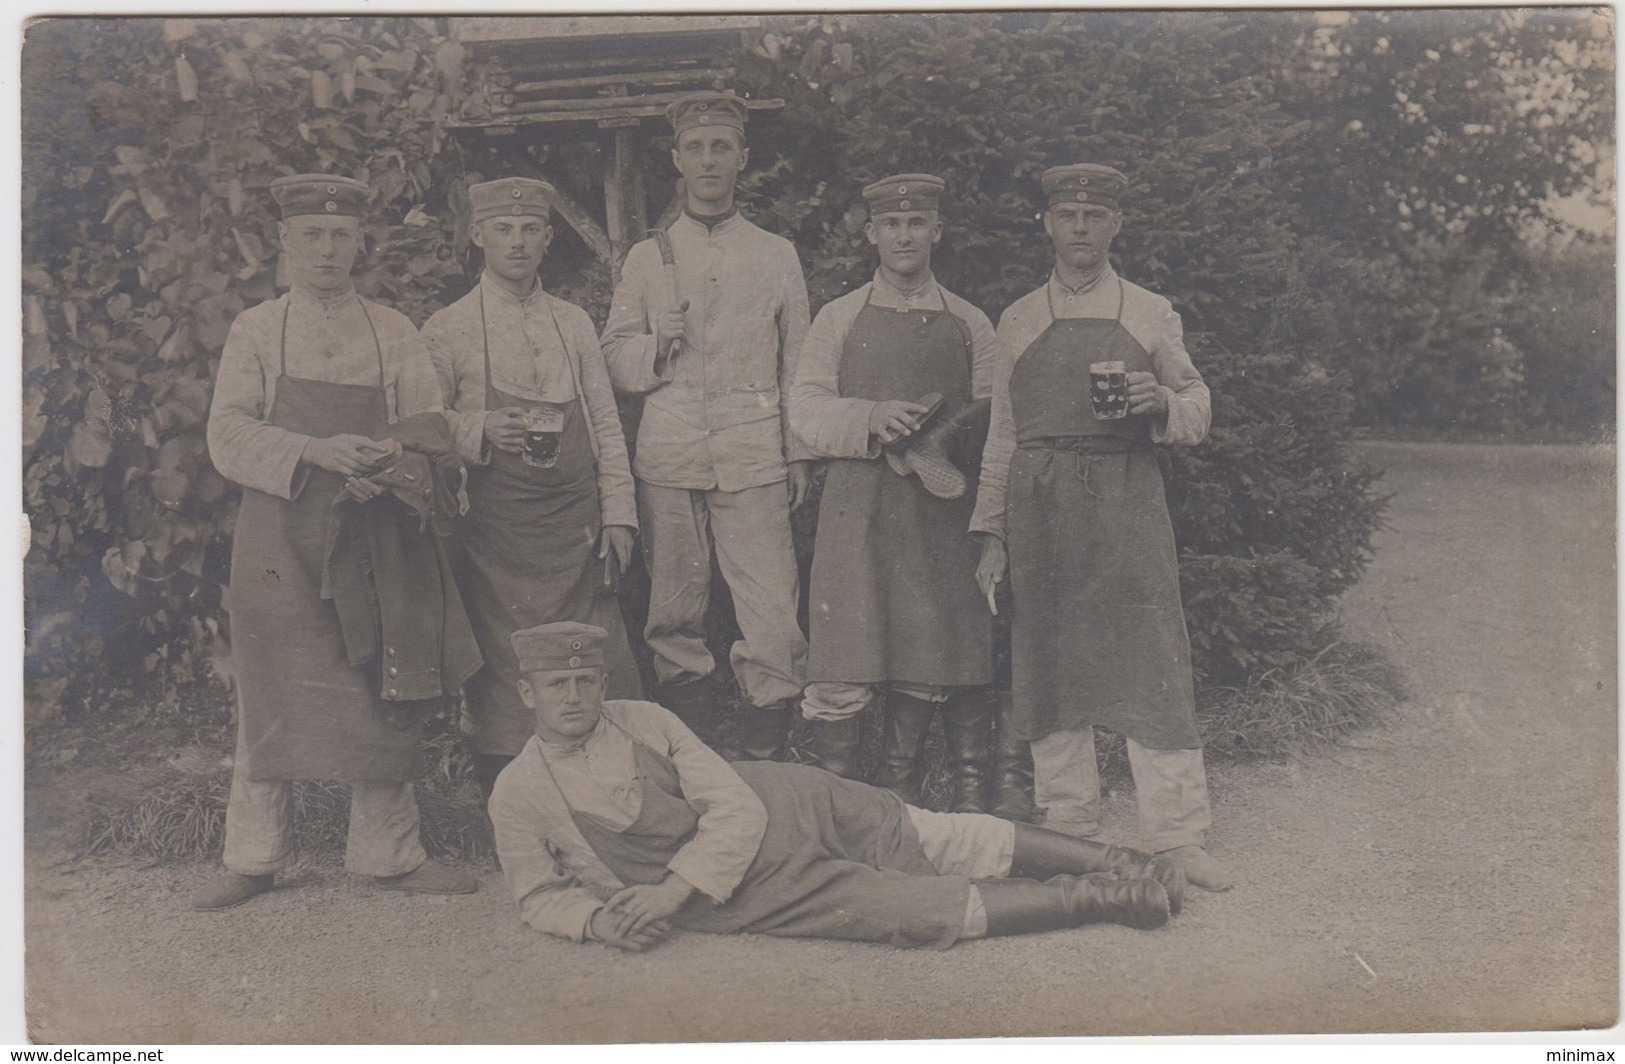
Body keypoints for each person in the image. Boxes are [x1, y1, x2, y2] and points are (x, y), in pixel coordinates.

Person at [488, 622, 1187, 952]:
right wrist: (595, 921)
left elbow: (728, 801)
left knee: (928, 834)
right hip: (741, 886)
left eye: (586, 681)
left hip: (784, 803)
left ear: (603, 684)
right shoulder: (520, 792)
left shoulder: (643, 720)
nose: (574, 697)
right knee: (905, 912)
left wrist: (667, 892)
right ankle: (1103, 899)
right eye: (557, 685)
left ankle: (1123, 863)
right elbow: (538, 896)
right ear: (527, 693)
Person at [196, 174, 478, 910]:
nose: (327, 250)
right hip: (279, 535)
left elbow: (429, 429)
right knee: (269, 688)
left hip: (373, 530)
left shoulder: (393, 330)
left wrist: (388, 464)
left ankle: (388, 856)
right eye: (312, 236)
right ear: (285, 244)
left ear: (361, 243)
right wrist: (315, 452)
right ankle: (253, 859)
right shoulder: (257, 330)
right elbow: (226, 434)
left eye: (340, 235)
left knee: (379, 682)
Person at [971, 164, 1233, 891]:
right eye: (1067, 215)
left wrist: (1159, 404)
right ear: (1046, 226)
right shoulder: (1017, 318)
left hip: (1124, 496)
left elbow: (1198, 407)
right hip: (1040, 501)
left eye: (1094, 215)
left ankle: (1177, 836)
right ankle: (1067, 829)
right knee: (1047, 655)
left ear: (1116, 226)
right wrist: (990, 532)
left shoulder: (1151, 312)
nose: (1080, 227)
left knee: (1149, 654)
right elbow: (1001, 435)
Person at [600, 91, 811, 762]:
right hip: (669, 450)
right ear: (676, 161)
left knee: (772, 609)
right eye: (695, 148)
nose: (708, 160)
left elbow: (799, 365)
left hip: (753, 453)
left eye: (722, 147)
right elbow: (613, 357)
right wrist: (655, 348)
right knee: (672, 608)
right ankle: (689, 752)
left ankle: (764, 755)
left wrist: (799, 452)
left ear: (742, 159)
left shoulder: (776, 255)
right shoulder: (645, 257)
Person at [422, 176, 641, 802]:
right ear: (477, 236)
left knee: (592, 660)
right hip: (496, 536)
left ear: (546, 239)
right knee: (505, 669)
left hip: (575, 530)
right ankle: (512, 807)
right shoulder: (449, 327)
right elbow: (422, 424)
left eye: (528, 230)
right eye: (501, 229)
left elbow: (603, 422)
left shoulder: (572, 324)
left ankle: (602, 801)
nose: (516, 242)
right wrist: (478, 429)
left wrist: (619, 514)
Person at [789, 174, 1001, 811]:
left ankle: (906, 791)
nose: (904, 236)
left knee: (932, 641)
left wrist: (946, 441)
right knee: (850, 645)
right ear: (872, 234)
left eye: (917, 224)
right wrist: (869, 418)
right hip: (861, 503)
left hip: (941, 509)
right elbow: (802, 406)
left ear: (937, 231)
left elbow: (997, 413)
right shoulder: (839, 316)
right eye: (891, 225)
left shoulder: (970, 322)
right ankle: (844, 805)